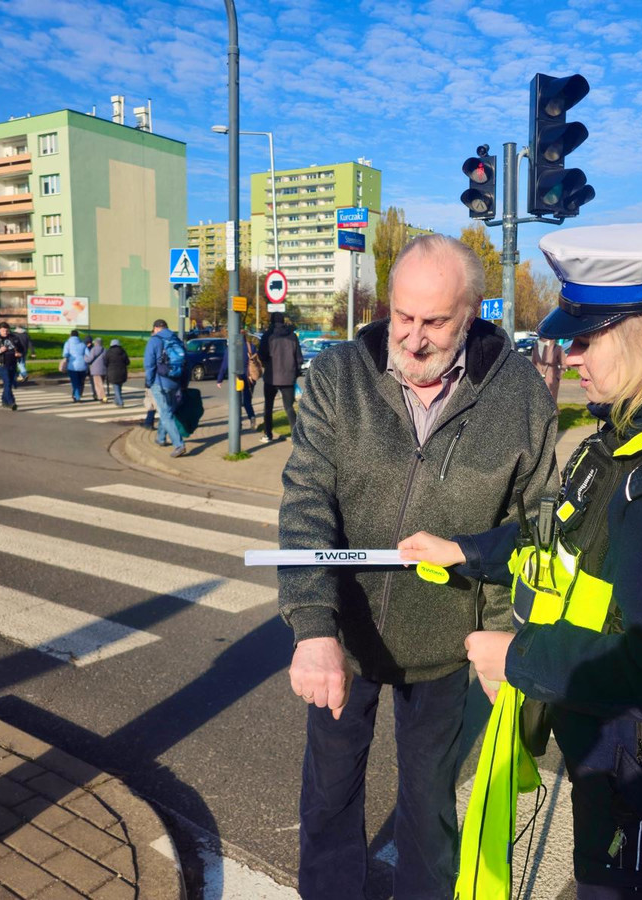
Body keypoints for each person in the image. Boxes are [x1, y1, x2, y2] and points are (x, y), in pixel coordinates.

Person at [400, 224, 642, 900]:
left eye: (587, 339)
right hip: (618, 762)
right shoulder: (626, 439)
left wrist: (519, 656)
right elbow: (558, 542)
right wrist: (465, 550)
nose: (570, 354)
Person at [278, 234, 559, 900]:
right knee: (328, 797)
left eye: (435, 321)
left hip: (446, 643)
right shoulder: (339, 376)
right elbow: (306, 501)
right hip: (345, 639)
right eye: (402, 315)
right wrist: (313, 627)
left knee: (429, 810)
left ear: (472, 313)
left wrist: (503, 631)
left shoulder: (519, 394)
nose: (413, 337)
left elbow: (536, 522)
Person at [143, 319, 187, 458]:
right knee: (168, 411)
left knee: (165, 414)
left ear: (156, 328)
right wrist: (183, 383)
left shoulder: (154, 340)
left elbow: (149, 363)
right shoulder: (176, 340)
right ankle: (161, 438)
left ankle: (179, 445)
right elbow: (186, 362)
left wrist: (149, 382)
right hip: (175, 382)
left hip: (160, 382)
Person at [258, 311, 303, 443]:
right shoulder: (292, 336)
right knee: (289, 408)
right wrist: (295, 373)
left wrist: (267, 364)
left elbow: (262, 355)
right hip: (288, 377)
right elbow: (299, 358)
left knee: (268, 407)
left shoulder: (268, 335)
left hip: (271, 377)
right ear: (283, 321)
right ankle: (296, 438)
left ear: (272, 321)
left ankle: (268, 434)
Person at [216, 333, 257, 430]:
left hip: (237, 378)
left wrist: (220, 379)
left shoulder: (231, 348)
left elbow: (224, 365)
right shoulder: (251, 347)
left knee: (236, 401)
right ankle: (251, 416)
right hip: (249, 377)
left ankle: (238, 423)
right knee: (247, 401)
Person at [0, 322, 25, 410]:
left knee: (9, 384)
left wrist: (19, 354)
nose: (5, 332)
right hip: (1, 364)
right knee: (7, 382)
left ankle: (4, 401)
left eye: (7, 330)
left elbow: (22, 349)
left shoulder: (14, 338)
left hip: (12, 364)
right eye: (3, 330)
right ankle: (11, 402)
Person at [531, 335, 565, 404]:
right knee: (538, 399)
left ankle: (552, 411)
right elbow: (533, 363)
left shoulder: (557, 348)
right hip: (538, 378)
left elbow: (564, 363)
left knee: (551, 400)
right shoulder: (536, 347)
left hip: (552, 378)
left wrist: (558, 376)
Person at [62, 329, 89, 401]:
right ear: (78, 336)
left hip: (72, 366)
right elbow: (88, 354)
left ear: (70, 335)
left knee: (75, 382)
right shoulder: (83, 344)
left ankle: (77, 397)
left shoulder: (67, 343)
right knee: (80, 382)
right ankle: (75, 395)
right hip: (82, 366)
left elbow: (65, 354)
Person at [104, 339, 130, 407]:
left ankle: (120, 402)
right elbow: (127, 362)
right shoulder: (123, 351)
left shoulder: (108, 352)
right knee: (119, 388)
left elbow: (105, 362)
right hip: (122, 372)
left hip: (112, 372)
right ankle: (116, 400)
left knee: (116, 388)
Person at [86, 337, 108, 402]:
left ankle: (103, 397)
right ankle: (100, 396)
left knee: (98, 384)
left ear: (96, 343)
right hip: (103, 369)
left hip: (95, 370)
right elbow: (107, 360)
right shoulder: (105, 350)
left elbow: (89, 360)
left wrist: (84, 357)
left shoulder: (93, 349)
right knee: (101, 384)